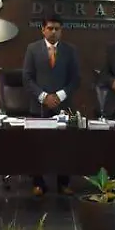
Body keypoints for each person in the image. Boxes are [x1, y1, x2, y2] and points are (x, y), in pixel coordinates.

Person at [22, 15, 79, 196]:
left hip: (63, 105)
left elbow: (75, 79)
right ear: (43, 30)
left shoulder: (70, 50)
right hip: (39, 105)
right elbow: (27, 78)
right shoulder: (32, 49)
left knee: (64, 147)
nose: (53, 32)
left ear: (61, 31)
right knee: (38, 147)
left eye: (57, 29)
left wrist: (59, 96)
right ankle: (38, 183)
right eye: (50, 28)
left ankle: (63, 183)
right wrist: (44, 96)